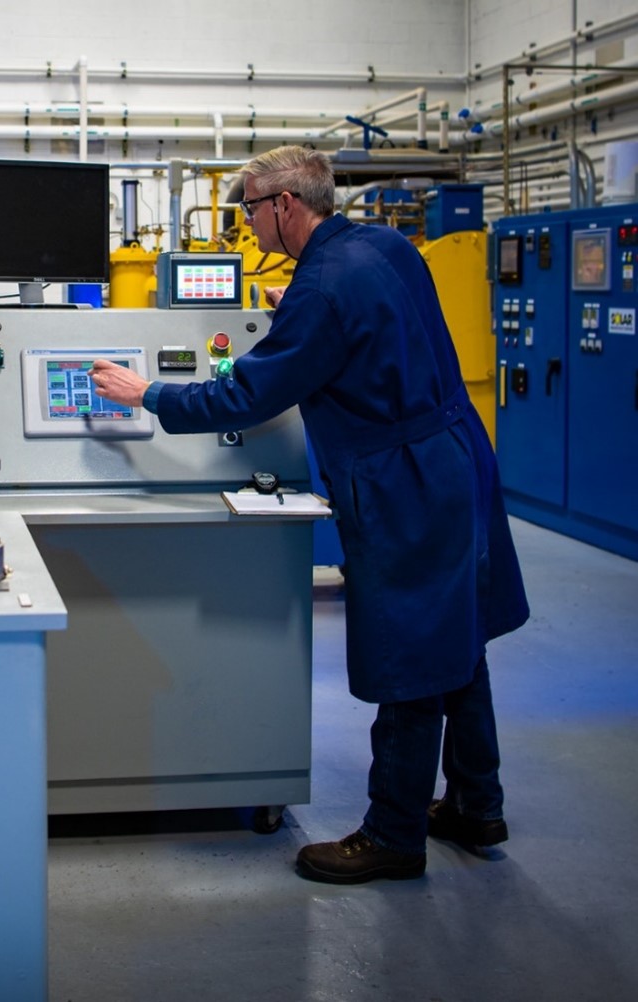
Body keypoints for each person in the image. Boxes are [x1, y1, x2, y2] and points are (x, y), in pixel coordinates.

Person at [88, 145, 530, 885]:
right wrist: (291, 327)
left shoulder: (321, 287)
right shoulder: (383, 245)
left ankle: (392, 835)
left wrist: (148, 396)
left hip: (402, 480)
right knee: (459, 632)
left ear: (285, 205)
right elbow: (364, 334)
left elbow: (243, 395)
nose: (247, 225)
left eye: (250, 211)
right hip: (456, 455)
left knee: (411, 653)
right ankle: (475, 803)